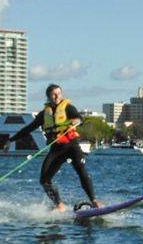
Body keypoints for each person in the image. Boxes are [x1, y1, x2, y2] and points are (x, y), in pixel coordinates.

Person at [6, 84, 103, 212]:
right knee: (44, 180)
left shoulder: (68, 107)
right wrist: (11, 140)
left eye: (59, 93)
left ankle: (94, 201)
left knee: (81, 171)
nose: (57, 96)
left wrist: (76, 121)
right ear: (48, 96)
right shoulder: (44, 114)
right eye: (54, 94)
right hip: (56, 150)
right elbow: (29, 128)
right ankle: (60, 205)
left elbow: (79, 118)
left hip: (72, 146)